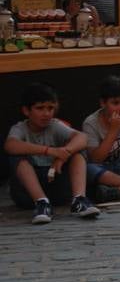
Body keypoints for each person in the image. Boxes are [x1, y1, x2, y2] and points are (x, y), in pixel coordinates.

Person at [5, 82, 99, 223]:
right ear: (26, 111)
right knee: (17, 157)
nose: (46, 113)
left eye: (50, 108)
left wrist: (63, 155)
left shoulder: (54, 125)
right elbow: (10, 145)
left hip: (57, 185)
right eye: (40, 108)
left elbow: (82, 137)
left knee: (78, 153)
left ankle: (79, 200)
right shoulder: (20, 128)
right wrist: (49, 151)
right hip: (27, 194)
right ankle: (41, 203)